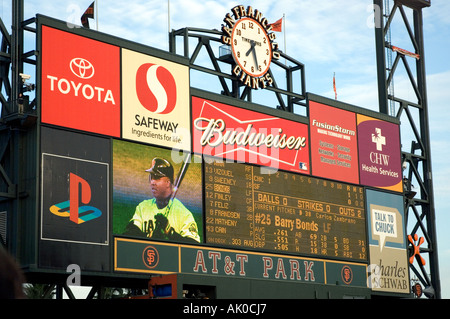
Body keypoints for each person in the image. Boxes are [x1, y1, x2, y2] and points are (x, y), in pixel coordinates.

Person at [125, 157, 200, 243]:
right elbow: (130, 231)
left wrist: (170, 233)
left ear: (168, 182)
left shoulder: (183, 214)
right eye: (151, 177)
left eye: (157, 178)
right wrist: (148, 238)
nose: (152, 182)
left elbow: (194, 246)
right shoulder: (143, 207)